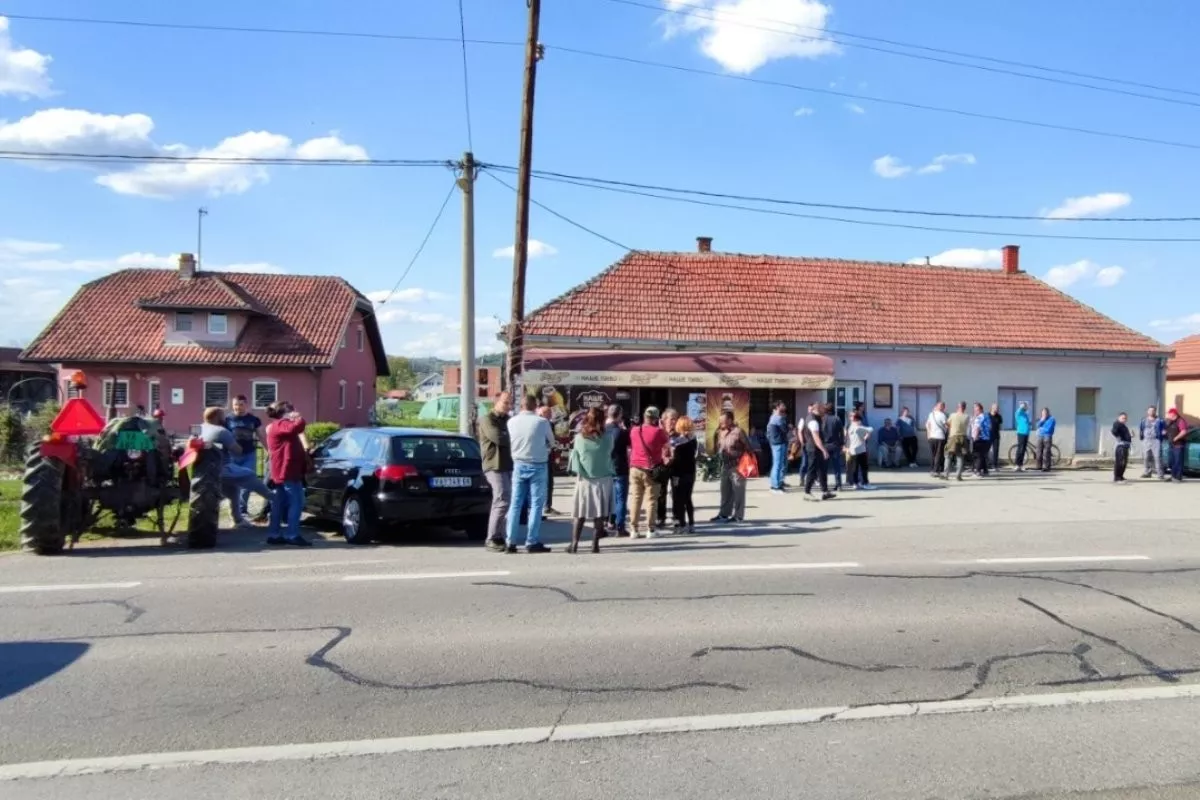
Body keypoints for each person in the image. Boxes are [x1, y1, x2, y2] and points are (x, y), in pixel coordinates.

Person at [200, 406, 274, 531]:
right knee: (249, 474)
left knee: (233, 491)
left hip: (206, 471)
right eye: (222, 415)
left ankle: (238, 519)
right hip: (223, 468)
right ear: (217, 417)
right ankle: (274, 498)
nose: (225, 418)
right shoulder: (221, 431)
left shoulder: (202, 428)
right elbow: (237, 450)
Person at [506, 394, 554, 553]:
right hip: (538, 464)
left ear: (521, 406)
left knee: (515, 504)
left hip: (518, 464)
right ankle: (531, 541)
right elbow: (552, 441)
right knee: (536, 504)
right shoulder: (542, 422)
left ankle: (510, 541)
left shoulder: (511, 422)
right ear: (535, 407)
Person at [566, 407, 613, 554]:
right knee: (599, 514)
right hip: (604, 477)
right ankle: (595, 545)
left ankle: (574, 544)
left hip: (585, 478)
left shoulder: (579, 438)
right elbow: (609, 453)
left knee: (579, 514)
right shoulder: (608, 438)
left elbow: (576, 458)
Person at [264, 401, 310, 546]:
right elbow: (296, 428)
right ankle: (292, 534)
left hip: (283, 470)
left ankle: (274, 534)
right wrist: (299, 418)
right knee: (296, 502)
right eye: (292, 410)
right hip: (287, 470)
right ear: (285, 412)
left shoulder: (277, 425)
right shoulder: (280, 424)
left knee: (278, 502)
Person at [477, 391, 513, 552]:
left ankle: (499, 535)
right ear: (496, 402)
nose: (508, 405)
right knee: (502, 499)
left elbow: (511, 436)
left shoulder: (508, 420)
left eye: (510, 402)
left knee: (505, 500)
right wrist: (511, 436)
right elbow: (499, 438)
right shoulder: (487, 419)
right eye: (505, 402)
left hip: (507, 464)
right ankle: (491, 537)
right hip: (494, 464)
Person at [224, 395, 267, 521]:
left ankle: (242, 510)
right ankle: (234, 508)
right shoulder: (227, 419)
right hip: (232, 455)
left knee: (247, 481)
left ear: (246, 405)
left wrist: (268, 450)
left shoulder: (253, 420)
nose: (238, 407)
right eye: (236, 405)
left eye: (241, 404)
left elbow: (261, 436)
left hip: (249, 454)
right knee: (232, 483)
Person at [629, 406, 669, 538]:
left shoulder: (634, 430)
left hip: (635, 468)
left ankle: (634, 530)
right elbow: (667, 445)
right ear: (657, 418)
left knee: (635, 499)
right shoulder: (659, 432)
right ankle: (650, 530)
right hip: (651, 469)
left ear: (644, 417)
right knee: (651, 500)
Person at [712, 410, 751, 522]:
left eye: (723, 421)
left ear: (730, 420)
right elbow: (718, 447)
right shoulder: (720, 432)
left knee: (738, 492)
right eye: (720, 421)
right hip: (725, 465)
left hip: (737, 466)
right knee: (725, 491)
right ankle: (724, 514)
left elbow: (748, 448)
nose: (721, 423)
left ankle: (738, 515)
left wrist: (744, 462)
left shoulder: (738, 432)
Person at [605, 404, 631, 536]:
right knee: (620, 499)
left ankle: (609, 522)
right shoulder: (622, 432)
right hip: (620, 467)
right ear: (620, 415)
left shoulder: (602, 430)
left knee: (608, 498)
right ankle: (620, 527)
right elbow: (630, 447)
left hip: (606, 468)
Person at [670, 416, 698, 532]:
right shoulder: (693, 440)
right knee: (688, 498)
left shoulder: (677, 442)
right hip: (690, 472)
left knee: (677, 499)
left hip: (678, 473)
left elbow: (674, 456)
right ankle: (691, 524)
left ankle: (680, 524)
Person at [803, 404, 834, 501]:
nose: (825, 410)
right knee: (812, 470)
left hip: (815, 448)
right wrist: (823, 450)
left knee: (822, 470)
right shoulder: (813, 421)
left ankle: (825, 492)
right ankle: (807, 492)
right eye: (823, 409)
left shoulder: (814, 418)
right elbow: (816, 438)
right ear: (817, 409)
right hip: (814, 448)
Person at [655, 408, 679, 529]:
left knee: (676, 492)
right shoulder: (658, 433)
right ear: (663, 420)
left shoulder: (680, 434)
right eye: (672, 419)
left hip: (676, 467)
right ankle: (660, 517)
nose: (674, 421)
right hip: (662, 467)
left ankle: (676, 517)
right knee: (660, 493)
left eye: (676, 419)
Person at [846, 412, 873, 490]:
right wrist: (866, 433)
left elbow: (860, 436)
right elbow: (871, 429)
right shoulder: (858, 427)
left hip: (853, 449)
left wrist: (865, 436)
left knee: (855, 467)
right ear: (857, 420)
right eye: (859, 420)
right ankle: (865, 483)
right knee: (864, 467)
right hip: (860, 450)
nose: (860, 422)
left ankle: (856, 483)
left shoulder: (851, 427)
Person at [944, 402, 971, 481]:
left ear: (958, 407)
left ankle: (946, 475)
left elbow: (947, 424)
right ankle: (958, 475)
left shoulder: (953, 415)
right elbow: (966, 425)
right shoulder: (967, 416)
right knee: (960, 456)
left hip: (953, 436)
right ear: (964, 408)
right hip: (963, 437)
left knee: (948, 455)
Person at [766, 401, 789, 493]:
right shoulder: (777, 418)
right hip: (778, 443)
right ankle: (775, 486)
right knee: (777, 464)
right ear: (777, 408)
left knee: (779, 464)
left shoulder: (774, 418)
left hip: (778, 443)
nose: (784, 406)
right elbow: (785, 429)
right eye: (782, 405)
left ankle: (778, 483)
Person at [822, 402, 845, 491]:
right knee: (837, 466)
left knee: (824, 467)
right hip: (835, 445)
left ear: (825, 410)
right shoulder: (837, 419)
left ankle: (825, 486)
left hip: (825, 446)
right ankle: (839, 485)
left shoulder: (823, 419)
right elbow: (841, 432)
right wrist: (842, 443)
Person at [1139, 406, 1165, 480]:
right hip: (1146, 440)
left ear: (1155, 412)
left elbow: (1164, 429)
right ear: (1147, 412)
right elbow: (1141, 429)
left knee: (1157, 457)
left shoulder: (1159, 420)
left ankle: (1160, 474)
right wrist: (1142, 437)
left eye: (1153, 411)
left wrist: (1163, 433)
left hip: (1156, 440)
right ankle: (1147, 472)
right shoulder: (1143, 420)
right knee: (1146, 457)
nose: (1151, 412)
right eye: (1150, 411)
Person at [1165, 407, 1188, 482]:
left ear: (1173, 414)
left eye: (1169, 414)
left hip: (1178, 445)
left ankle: (1178, 477)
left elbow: (1183, 431)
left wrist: (1176, 438)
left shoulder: (1180, 421)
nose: (1168, 415)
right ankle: (1173, 476)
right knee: (1172, 462)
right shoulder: (1171, 422)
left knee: (1178, 462)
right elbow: (1168, 430)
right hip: (1171, 444)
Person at [925, 401, 948, 478]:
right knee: (938, 454)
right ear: (942, 407)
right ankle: (935, 471)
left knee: (933, 454)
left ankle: (932, 469)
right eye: (943, 406)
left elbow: (927, 424)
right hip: (940, 437)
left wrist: (928, 435)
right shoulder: (942, 415)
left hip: (932, 437)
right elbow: (946, 426)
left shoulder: (931, 414)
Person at [971, 402, 992, 476]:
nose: (974, 411)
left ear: (979, 409)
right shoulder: (987, 416)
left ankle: (977, 471)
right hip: (987, 439)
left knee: (978, 455)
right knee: (983, 455)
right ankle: (985, 471)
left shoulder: (979, 417)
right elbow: (990, 427)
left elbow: (977, 428)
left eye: (975, 409)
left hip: (979, 439)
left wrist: (975, 438)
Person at [1112, 411, 1132, 483]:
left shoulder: (1123, 426)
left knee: (1124, 462)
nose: (1124, 419)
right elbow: (1114, 431)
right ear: (1119, 418)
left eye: (1125, 418)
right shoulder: (1117, 424)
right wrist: (1118, 437)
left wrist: (1130, 436)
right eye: (1123, 418)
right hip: (1121, 446)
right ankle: (1117, 477)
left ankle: (1121, 476)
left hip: (1125, 445)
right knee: (1120, 462)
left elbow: (1125, 435)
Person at [1036, 408, 1056, 472]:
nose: (1044, 414)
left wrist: (1041, 429)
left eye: (1045, 413)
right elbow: (1037, 425)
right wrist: (1042, 420)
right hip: (1040, 436)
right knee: (1039, 452)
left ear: (1048, 413)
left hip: (1047, 436)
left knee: (1046, 452)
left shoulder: (1052, 419)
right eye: (1043, 413)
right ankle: (1039, 466)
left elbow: (1048, 429)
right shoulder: (1042, 419)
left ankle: (1046, 467)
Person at [1013, 401, 1032, 472]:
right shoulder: (1019, 413)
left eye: (1026, 406)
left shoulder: (1026, 414)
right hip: (1021, 432)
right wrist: (1022, 406)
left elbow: (1027, 422)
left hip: (1026, 433)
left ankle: (1021, 465)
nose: (1025, 407)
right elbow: (1019, 410)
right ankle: (1017, 464)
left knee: (1023, 449)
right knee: (1020, 449)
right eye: (1024, 406)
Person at [988, 403, 1004, 471]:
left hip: (996, 436)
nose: (996, 409)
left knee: (996, 451)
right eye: (995, 408)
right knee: (986, 451)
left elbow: (1000, 425)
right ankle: (986, 465)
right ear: (991, 408)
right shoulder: (987, 416)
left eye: (997, 408)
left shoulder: (999, 416)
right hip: (988, 436)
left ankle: (995, 465)